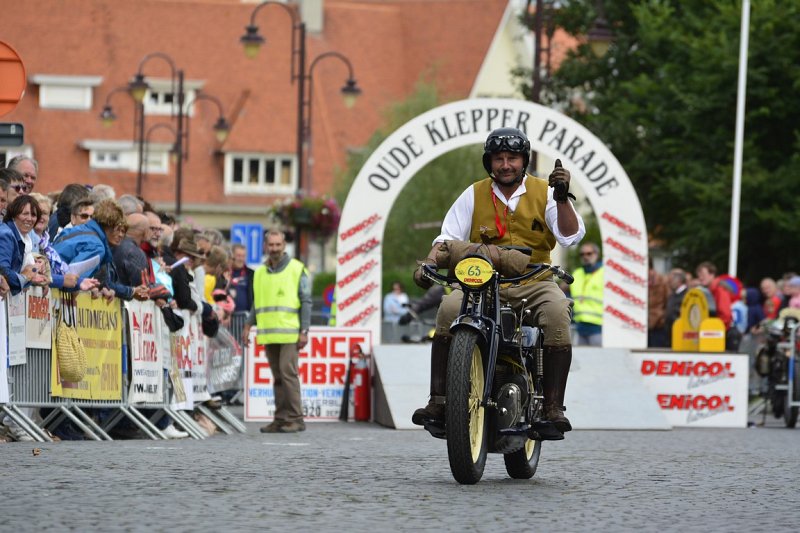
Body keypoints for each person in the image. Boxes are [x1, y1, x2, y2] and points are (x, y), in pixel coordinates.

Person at [411, 127, 585, 434]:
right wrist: (427, 264)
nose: (505, 164)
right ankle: (438, 401)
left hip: (535, 279)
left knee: (557, 312)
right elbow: (446, 240)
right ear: (488, 162)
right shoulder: (473, 193)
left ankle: (552, 408)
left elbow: (570, 237)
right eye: (499, 158)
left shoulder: (545, 191)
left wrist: (561, 198)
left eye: (513, 158)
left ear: (524, 161)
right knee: (449, 308)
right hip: (482, 283)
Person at [243, 229, 312, 434]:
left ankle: (296, 418)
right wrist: (248, 325)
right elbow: (258, 302)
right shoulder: (260, 272)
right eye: (271, 245)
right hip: (269, 333)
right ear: (266, 246)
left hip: (290, 333)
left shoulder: (297, 269)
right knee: (279, 377)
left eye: (278, 245)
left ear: (284, 246)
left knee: (288, 374)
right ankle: (281, 419)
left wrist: (304, 331)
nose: (274, 249)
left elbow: (306, 302)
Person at [0, 195, 49, 294]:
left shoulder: (26, 240)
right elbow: (3, 272)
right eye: (25, 213)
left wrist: (33, 276)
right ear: (14, 215)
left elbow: (26, 274)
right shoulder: (6, 235)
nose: (29, 219)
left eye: (34, 215)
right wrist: (26, 276)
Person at [572, 242, 604, 346]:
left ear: (597, 254)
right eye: (582, 254)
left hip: (599, 328)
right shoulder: (577, 274)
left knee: (597, 360)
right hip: (579, 328)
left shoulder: (605, 273)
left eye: (589, 253)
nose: (585, 256)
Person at [695, 261, 732, 329]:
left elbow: (726, 316)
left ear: (712, 274)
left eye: (703, 275)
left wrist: (712, 329)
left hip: (722, 333)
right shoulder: (710, 290)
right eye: (699, 275)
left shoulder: (720, 289)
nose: (700, 278)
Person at [647, 260, 670, 348]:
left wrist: (662, 317)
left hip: (658, 325)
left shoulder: (663, 281)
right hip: (642, 327)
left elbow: (669, 301)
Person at [664, 268, 688, 344]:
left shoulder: (687, 295)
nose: (669, 282)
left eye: (671, 279)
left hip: (680, 336)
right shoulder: (673, 295)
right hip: (669, 335)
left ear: (679, 280)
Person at [228, 243, 254, 313]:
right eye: (238, 256)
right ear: (232, 256)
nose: (241, 259)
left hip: (246, 317)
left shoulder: (251, 274)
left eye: (243, 256)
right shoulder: (224, 272)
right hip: (226, 317)